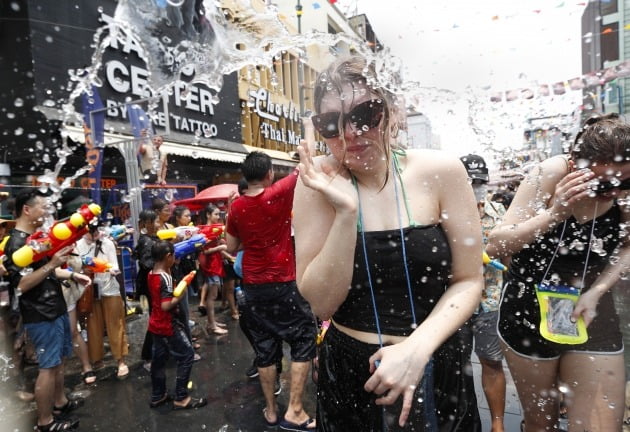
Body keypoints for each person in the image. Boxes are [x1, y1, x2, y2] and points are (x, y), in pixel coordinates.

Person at [292, 56, 483, 431]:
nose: (350, 133)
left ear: (392, 109)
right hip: (350, 370)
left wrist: (417, 348)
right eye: (331, 123)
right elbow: (321, 302)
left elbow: (469, 279)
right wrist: (345, 213)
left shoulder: (440, 171)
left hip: (437, 359)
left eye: (365, 113)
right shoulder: (314, 184)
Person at [487, 113, 629, 432]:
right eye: (603, 182)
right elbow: (496, 244)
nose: (614, 190)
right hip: (527, 312)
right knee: (542, 423)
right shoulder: (551, 173)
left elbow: (628, 246)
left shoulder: (624, 190)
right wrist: (554, 213)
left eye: (625, 181)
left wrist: (597, 291)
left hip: (592, 314)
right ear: (576, 165)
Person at [226, 152, 317, 430]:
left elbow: (230, 248)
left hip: (253, 288)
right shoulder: (277, 192)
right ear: (268, 174)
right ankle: (295, 410)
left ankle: (270, 410)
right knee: (303, 339)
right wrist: (302, 151)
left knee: (265, 347)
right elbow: (305, 167)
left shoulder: (236, 207)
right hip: (284, 283)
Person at [4, 189, 91, 431]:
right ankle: (45, 422)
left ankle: (59, 403)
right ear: (27, 209)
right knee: (48, 367)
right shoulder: (17, 243)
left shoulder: (37, 237)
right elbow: (21, 285)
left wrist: (73, 274)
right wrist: (53, 263)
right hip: (40, 313)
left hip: (55, 306)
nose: (47, 211)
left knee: (59, 362)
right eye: (43, 206)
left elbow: (48, 271)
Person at [461, 154, 507, 432]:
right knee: (458, 364)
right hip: (456, 301)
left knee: (492, 361)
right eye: (470, 182)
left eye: (479, 182)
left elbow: (511, 254)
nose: (475, 187)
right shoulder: (444, 215)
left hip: (491, 300)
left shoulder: (500, 213)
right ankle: (465, 420)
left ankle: (498, 423)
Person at [147, 240, 207, 410]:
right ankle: (181, 397)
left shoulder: (152, 273)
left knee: (158, 361)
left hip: (155, 324)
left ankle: (158, 395)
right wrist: (181, 294)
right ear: (168, 257)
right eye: (173, 256)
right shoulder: (164, 278)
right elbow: (166, 305)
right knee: (187, 355)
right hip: (167, 324)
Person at [75, 222, 129, 380]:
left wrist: (107, 268)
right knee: (92, 326)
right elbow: (76, 268)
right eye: (91, 231)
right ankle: (96, 359)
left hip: (109, 288)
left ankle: (120, 360)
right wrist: (84, 270)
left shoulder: (107, 243)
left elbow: (114, 266)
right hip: (90, 290)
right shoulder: (78, 245)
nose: (95, 233)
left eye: (97, 229)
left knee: (116, 324)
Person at [62, 252, 96, 385]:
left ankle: (86, 366)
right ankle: (56, 376)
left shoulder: (71, 249)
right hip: (46, 299)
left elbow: (76, 265)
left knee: (73, 332)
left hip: (66, 294)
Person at [135, 209, 160, 372]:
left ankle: (156, 351)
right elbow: (146, 263)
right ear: (147, 224)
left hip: (157, 282)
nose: (159, 224)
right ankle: (149, 355)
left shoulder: (155, 237)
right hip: (151, 284)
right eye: (156, 221)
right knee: (155, 317)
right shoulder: (145, 241)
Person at [198, 204, 228, 335]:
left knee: (214, 295)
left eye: (218, 214)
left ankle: (213, 321)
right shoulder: (205, 231)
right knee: (212, 296)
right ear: (208, 215)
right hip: (211, 266)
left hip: (216, 265)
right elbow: (205, 250)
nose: (217, 217)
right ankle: (211, 324)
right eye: (215, 214)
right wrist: (219, 248)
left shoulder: (214, 229)